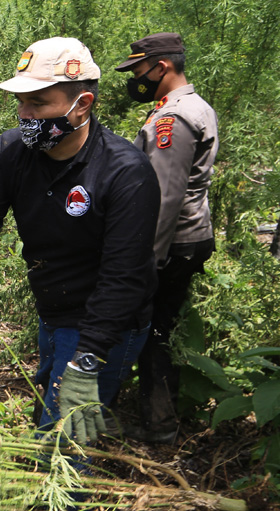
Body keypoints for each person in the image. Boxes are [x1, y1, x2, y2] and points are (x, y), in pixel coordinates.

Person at [0, 37, 161, 444]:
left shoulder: (124, 172)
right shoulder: (11, 151)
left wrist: (89, 356)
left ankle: (68, 504)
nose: (25, 115)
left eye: (38, 104)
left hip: (106, 319)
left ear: (83, 104)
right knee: (50, 407)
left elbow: (124, 277)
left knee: (65, 439)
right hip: (53, 309)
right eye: (21, 103)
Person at [115, 33, 219, 443]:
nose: (136, 79)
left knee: (153, 331)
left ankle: (158, 425)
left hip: (172, 241)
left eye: (140, 70)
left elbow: (165, 195)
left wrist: (147, 260)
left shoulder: (172, 119)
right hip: (187, 236)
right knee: (162, 327)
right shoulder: (192, 106)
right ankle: (157, 417)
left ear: (161, 67)